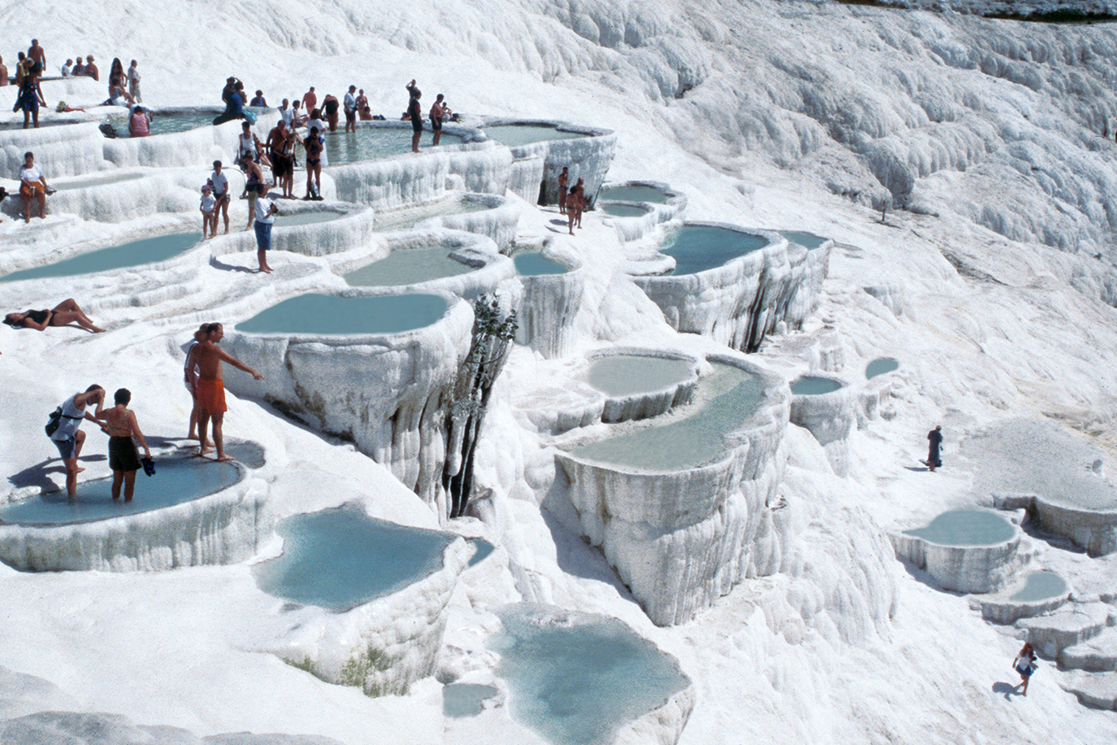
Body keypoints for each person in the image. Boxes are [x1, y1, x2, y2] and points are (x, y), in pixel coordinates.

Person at [191, 322, 264, 461]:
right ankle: (220, 454)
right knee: (217, 422)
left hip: (201, 384)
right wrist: (252, 371)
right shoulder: (216, 350)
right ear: (213, 333)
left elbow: (190, 368)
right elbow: (234, 362)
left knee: (203, 418)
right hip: (214, 386)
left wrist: (194, 388)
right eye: (220, 332)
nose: (222, 335)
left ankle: (203, 448)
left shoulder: (195, 348)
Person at [49, 385, 106, 497]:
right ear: (92, 394)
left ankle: (72, 463)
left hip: (58, 431)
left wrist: (98, 422)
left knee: (81, 435)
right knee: (71, 472)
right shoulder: (79, 400)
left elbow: (83, 413)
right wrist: (98, 392)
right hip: (63, 437)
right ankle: (72, 497)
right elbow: (78, 400)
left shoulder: (80, 403)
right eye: (96, 399)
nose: (95, 403)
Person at [97, 388, 151, 502]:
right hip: (127, 445)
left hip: (114, 444)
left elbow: (97, 414)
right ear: (128, 401)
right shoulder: (128, 413)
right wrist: (146, 448)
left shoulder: (108, 412)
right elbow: (137, 433)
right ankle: (128, 507)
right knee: (129, 481)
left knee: (117, 480)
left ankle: (115, 503)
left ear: (115, 399)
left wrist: (101, 399)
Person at [4, 299, 104, 333]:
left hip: (52, 313)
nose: (16, 313)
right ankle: (94, 329)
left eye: (14, 313)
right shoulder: (27, 321)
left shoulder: (23, 314)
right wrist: (48, 315)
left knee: (70, 301)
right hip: (53, 320)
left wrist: (45, 311)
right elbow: (41, 327)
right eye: (14, 315)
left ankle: (87, 321)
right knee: (75, 315)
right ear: (15, 320)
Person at [182, 324, 207, 439]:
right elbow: (188, 367)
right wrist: (193, 386)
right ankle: (203, 437)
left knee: (197, 406)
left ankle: (192, 433)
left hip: (194, 379)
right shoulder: (196, 346)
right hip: (193, 380)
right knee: (201, 407)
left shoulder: (197, 344)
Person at [253, 182, 278, 273]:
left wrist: (272, 209)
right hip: (262, 226)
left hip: (266, 225)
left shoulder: (262, 198)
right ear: (262, 191)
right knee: (261, 247)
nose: (267, 189)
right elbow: (264, 215)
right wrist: (272, 210)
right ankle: (261, 266)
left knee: (264, 247)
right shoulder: (259, 201)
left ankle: (264, 264)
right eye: (265, 189)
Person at [19, 151, 51, 220]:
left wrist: (45, 185)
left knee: (42, 193)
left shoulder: (36, 167)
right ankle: (27, 215)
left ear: (33, 159)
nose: (28, 160)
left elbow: (41, 177)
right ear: (25, 159)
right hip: (26, 184)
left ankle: (42, 212)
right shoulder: (22, 168)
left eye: (30, 158)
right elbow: (22, 179)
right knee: (27, 195)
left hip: (36, 184)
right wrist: (29, 185)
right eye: (27, 158)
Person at [240, 152, 265, 230]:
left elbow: (261, 179)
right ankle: (254, 223)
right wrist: (245, 190)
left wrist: (261, 191)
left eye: (246, 161)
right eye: (244, 161)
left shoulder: (255, 167)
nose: (245, 162)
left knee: (252, 207)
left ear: (251, 159)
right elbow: (249, 179)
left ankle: (249, 225)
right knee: (252, 207)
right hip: (251, 188)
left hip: (256, 189)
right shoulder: (249, 167)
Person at [209, 160, 231, 234]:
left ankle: (226, 229)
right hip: (217, 194)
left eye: (218, 168)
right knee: (216, 213)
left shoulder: (223, 175)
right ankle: (214, 230)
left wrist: (220, 199)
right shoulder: (213, 175)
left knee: (224, 212)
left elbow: (226, 188)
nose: (217, 169)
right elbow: (213, 184)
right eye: (215, 168)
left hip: (225, 194)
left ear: (220, 167)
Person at [304, 124, 324, 199]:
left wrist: (316, 142)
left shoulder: (319, 139)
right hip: (309, 160)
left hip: (317, 160)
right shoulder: (306, 140)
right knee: (309, 177)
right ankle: (307, 194)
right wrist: (311, 141)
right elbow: (307, 150)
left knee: (317, 178)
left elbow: (321, 149)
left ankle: (318, 193)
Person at [405, 80, 423, 152]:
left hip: (413, 119)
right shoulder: (416, 103)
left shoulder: (412, 102)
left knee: (415, 133)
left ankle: (414, 147)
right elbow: (418, 112)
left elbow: (409, 110)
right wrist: (420, 120)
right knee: (418, 133)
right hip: (416, 119)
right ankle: (415, 148)